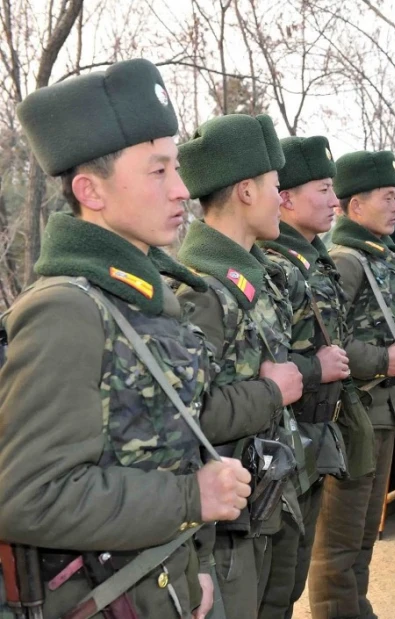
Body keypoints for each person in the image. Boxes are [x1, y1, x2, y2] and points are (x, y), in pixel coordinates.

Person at [0, 59, 251, 618]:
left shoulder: (144, 298)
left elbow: (172, 449)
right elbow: (27, 498)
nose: (182, 190)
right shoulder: (65, 309)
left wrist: (194, 564)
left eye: (176, 168)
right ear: (91, 191)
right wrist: (192, 499)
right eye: (158, 171)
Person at [176, 114, 307, 619]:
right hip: (225, 531)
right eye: (276, 187)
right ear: (247, 191)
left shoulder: (254, 276)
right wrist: (270, 393)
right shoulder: (200, 291)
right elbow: (185, 418)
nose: (282, 199)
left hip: (264, 506)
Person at [311, 149, 395, 619]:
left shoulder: (381, 257)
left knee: (364, 536)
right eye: (387, 197)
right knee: (338, 542)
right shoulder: (346, 261)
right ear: (355, 206)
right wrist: (382, 359)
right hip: (353, 418)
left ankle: (357, 609)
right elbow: (324, 340)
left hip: (381, 416)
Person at [257, 136, 355, 619]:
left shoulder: (314, 258)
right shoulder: (276, 266)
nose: (335, 201)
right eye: (323, 189)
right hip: (284, 443)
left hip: (314, 438)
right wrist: (317, 368)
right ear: (286, 199)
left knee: (292, 577)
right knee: (275, 586)